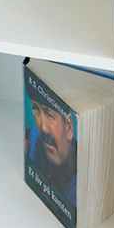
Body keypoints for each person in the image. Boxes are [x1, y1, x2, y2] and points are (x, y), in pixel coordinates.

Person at [25, 75, 76, 208]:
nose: (44, 128)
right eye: (36, 110)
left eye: (49, 114)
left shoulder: (86, 179)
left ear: (68, 127)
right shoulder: (30, 141)